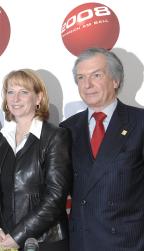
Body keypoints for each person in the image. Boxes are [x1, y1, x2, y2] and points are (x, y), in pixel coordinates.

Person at [60, 47, 144, 250]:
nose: (87, 85)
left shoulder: (139, 123)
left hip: (128, 243)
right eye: (81, 77)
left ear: (115, 80)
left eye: (96, 75)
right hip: (82, 242)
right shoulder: (66, 129)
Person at [0, 69, 72, 251]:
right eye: (11, 92)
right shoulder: (1, 138)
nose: (15, 98)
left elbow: (55, 197)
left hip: (45, 242)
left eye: (23, 92)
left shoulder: (55, 136)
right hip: (4, 240)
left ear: (38, 98)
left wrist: (18, 236)